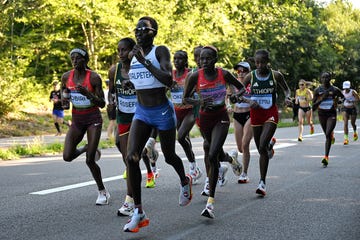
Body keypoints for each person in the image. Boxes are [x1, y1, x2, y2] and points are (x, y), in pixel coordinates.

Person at [123, 16, 192, 233]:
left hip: (162, 111)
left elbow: (166, 79)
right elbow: (139, 79)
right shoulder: (132, 55)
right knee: (131, 156)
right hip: (142, 111)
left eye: (144, 29)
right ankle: (138, 212)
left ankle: (184, 180)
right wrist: (129, 83)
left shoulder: (159, 51)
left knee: (169, 155)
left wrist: (144, 61)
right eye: (136, 29)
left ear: (154, 32)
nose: (139, 32)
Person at [183, 45, 245, 219]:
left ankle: (210, 202)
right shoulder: (195, 76)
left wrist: (235, 97)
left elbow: (241, 88)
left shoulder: (223, 74)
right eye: (202, 58)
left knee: (211, 155)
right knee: (213, 151)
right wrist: (199, 103)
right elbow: (185, 98)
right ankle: (231, 159)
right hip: (204, 119)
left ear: (215, 59)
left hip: (221, 117)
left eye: (208, 58)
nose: (204, 62)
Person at [107, 38, 160, 217]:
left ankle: (129, 201)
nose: (121, 54)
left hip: (141, 117)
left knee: (131, 159)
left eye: (125, 50)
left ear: (133, 50)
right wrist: (111, 103)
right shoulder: (114, 71)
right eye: (119, 50)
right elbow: (111, 92)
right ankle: (148, 153)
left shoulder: (141, 67)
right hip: (123, 117)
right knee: (127, 159)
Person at [60, 48, 109, 205]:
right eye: (72, 58)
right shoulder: (66, 76)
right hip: (77, 119)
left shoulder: (94, 77)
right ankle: (86, 147)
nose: (74, 61)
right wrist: (64, 100)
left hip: (93, 118)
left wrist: (88, 94)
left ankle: (102, 192)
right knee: (67, 156)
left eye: (78, 58)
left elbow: (102, 103)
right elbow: (64, 95)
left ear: (85, 60)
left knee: (90, 160)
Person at [242, 49, 291, 196]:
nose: (259, 65)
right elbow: (241, 93)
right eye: (257, 62)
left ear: (267, 62)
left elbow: (287, 90)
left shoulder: (275, 75)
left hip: (270, 113)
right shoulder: (250, 76)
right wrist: (249, 100)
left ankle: (262, 183)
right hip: (255, 114)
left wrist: (288, 98)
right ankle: (269, 146)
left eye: (262, 62)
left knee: (262, 145)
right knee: (261, 150)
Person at [170, 50, 202, 184]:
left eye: (180, 59)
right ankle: (194, 166)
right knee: (184, 140)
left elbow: (199, 88)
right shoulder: (170, 74)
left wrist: (192, 92)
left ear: (186, 61)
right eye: (175, 59)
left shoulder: (191, 74)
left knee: (181, 136)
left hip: (190, 110)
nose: (177, 61)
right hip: (177, 110)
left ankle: (192, 166)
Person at [312, 72, 344, 167]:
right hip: (322, 114)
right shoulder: (318, 90)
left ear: (330, 78)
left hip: (331, 114)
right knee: (327, 135)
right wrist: (322, 98)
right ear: (320, 79)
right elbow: (313, 107)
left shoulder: (335, 89)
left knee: (327, 133)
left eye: (327, 77)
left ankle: (326, 157)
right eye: (323, 77)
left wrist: (338, 102)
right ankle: (331, 135)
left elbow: (342, 98)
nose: (325, 79)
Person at [231, 61, 253, 184]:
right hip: (237, 115)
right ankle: (234, 160)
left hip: (250, 114)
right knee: (240, 148)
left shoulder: (253, 83)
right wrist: (229, 104)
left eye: (244, 71)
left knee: (245, 145)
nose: (241, 73)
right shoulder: (233, 83)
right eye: (238, 71)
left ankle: (244, 174)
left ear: (249, 72)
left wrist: (244, 98)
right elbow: (228, 96)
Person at [341, 81, 359, 145]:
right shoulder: (342, 92)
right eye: (345, 88)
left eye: (347, 88)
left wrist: (351, 100)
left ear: (349, 87)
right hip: (345, 108)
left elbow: (358, 99)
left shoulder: (353, 92)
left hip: (352, 109)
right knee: (345, 123)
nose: (346, 89)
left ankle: (355, 132)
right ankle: (346, 139)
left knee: (352, 123)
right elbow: (340, 100)